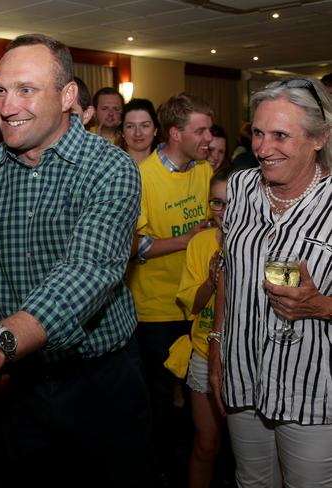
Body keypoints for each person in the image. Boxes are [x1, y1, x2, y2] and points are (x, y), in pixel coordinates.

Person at [0, 33, 152, 486]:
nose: (6, 106)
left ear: (68, 95)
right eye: (0, 90)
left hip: (101, 381)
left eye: (26, 90)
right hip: (14, 384)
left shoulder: (110, 168)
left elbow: (88, 272)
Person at [209, 78, 332, 487]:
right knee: (252, 481)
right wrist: (216, 346)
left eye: (281, 135)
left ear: (320, 138)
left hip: (312, 388)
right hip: (242, 373)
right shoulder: (240, 189)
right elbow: (226, 268)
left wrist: (321, 306)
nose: (263, 148)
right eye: (259, 133)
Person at [129, 92, 214, 486]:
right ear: (176, 133)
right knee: (160, 401)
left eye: (210, 130)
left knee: (202, 394)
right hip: (156, 310)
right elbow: (133, 247)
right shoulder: (142, 177)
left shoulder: (204, 171)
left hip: (199, 306)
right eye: (202, 130)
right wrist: (188, 240)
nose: (209, 138)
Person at [172, 166, 237, 488]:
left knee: (247, 450)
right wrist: (211, 282)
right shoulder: (200, 244)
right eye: (216, 202)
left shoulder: (266, 241)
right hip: (202, 351)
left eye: (229, 202)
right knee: (206, 443)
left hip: (247, 356)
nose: (222, 211)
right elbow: (192, 306)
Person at [121, 97, 159, 164]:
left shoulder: (167, 165)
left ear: (155, 130)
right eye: (130, 126)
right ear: (122, 132)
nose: (138, 133)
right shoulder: (111, 165)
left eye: (145, 126)